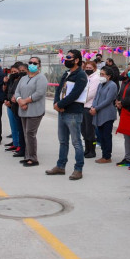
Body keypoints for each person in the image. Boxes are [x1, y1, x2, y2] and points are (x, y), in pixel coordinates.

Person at [46, 50, 88, 180]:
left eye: (69, 57)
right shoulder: (67, 73)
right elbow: (59, 89)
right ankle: (60, 166)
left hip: (73, 113)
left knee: (76, 142)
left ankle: (78, 169)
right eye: (66, 57)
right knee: (63, 141)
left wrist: (61, 105)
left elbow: (75, 94)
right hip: (62, 112)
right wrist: (56, 103)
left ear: (76, 60)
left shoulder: (81, 75)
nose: (66, 59)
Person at [15, 56, 47, 166]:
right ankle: (27, 155)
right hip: (23, 109)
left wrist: (25, 101)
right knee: (25, 133)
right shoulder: (24, 78)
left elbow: (39, 93)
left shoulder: (41, 78)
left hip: (35, 110)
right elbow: (17, 91)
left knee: (30, 133)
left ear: (39, 65)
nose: (32, 64)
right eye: (30, 62)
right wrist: (20, 101)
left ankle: (33, 158)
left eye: (35, 63)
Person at [91, 65, 119, 164]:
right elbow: (96, 97)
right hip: (99, 113)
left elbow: (108, 100)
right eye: (100, 74)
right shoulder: (100, 84)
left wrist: (96, 108)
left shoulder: (112, 85)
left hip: (107, 114)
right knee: (101, 136)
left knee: (106, 136)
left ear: (109, 76)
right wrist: (93, 107)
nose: (101, 76)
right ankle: (104, 154)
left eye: (103, 74)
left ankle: (107, 156)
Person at [81, 60, 101, 159]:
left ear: (94, 68)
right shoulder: (85, 77)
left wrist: (80, 100)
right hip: (82, 106)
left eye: (90, 68)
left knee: (90, 131)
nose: (88, 70)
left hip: (89, 106)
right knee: (83, 130)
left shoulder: (95, 78)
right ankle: (87, 149)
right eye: (86, 68)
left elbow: (91, 93)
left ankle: (92, 150)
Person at [3, 63, 23, 150]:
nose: (13, 73)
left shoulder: (21, 81)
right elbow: (7, 91)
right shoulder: (11, 80)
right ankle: (15, 142)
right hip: (9, 105)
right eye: (12, 72)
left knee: (18, 126)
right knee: (13, 126)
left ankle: (19, 144)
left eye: (16, 71)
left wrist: (11, 102)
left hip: (15, 105)